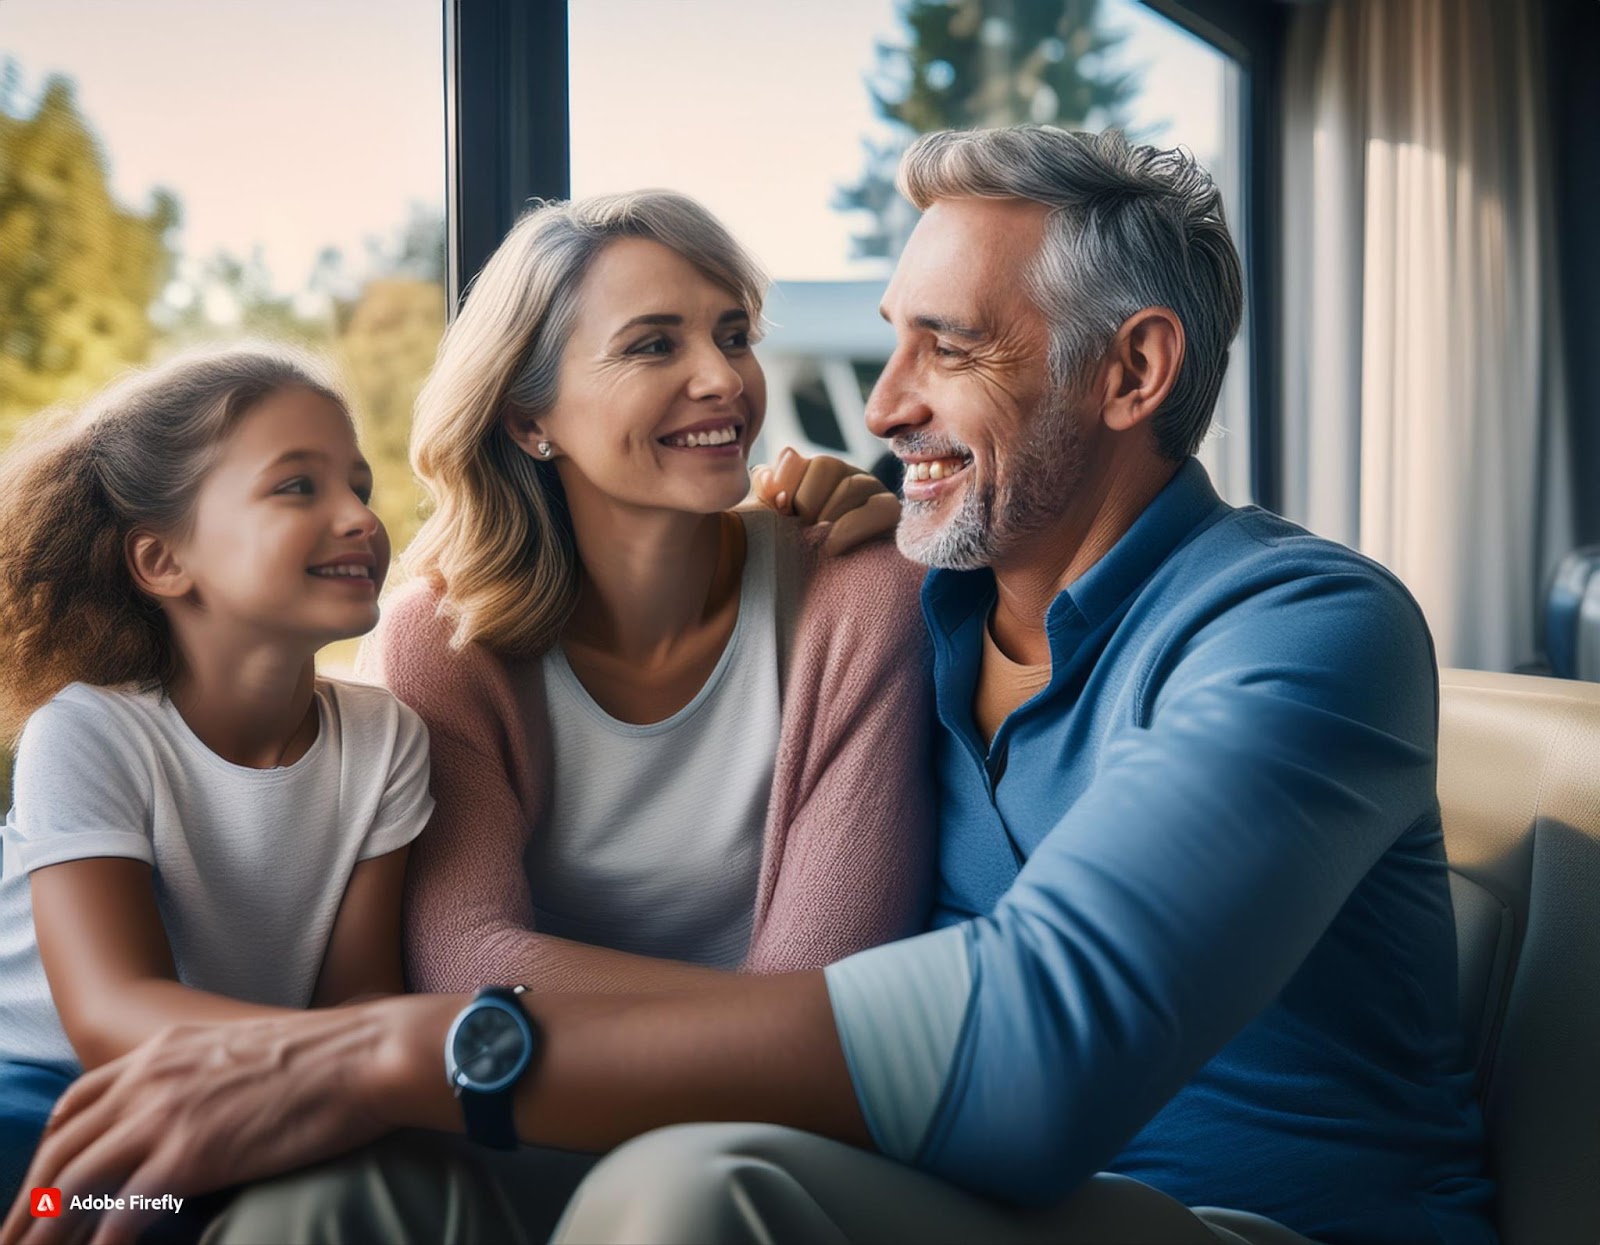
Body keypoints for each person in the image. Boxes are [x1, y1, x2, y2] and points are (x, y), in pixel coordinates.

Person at [3, 127, 1497, 1245]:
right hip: (954, 1193)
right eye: (887, 341)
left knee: (690, 1191)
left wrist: (407, 1043)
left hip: (1243, 1219)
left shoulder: (1305, 634)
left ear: (1132, 372)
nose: (884, 401)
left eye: (945, 348)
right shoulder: (927, 599)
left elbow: (1044, 1036)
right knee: (333, 1199)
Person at [370, 190, 935, 1003]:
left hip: (787, 1122)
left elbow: (831, 995)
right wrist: (773, 1022)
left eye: (733, 336)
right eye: (653, 345)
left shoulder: (860, 592)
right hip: (529, 1119)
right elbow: (464, 966)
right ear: (530, 418)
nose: (722, 378)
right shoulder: (441, 641)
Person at [0, 350, 434, 1209]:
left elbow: (362, 1007)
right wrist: (386, 1056)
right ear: (162, 561)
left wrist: (364, 1062)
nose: (359, 516)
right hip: (42, 1087)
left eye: (360, 484)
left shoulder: (388, 739)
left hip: (252, 1081)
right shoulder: (87, 733)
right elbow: (111, 1010)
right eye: (297, 487)